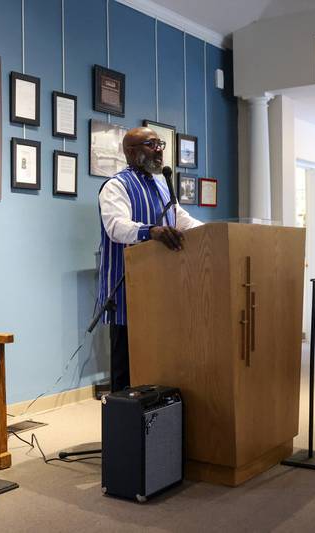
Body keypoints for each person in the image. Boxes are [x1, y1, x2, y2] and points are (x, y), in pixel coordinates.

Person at [97, 126, 202, 392]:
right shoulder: (116, 185)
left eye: (160, 144)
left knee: (159, 365)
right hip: (127, 290)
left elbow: (181, 219)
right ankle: (123, 429)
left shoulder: (161, 185)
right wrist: (151, 231)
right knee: (126, 368)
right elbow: (116, 227)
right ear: (131, 152)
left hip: (162, 288)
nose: (159, 150)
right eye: (151, 144)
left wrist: (218, 233)